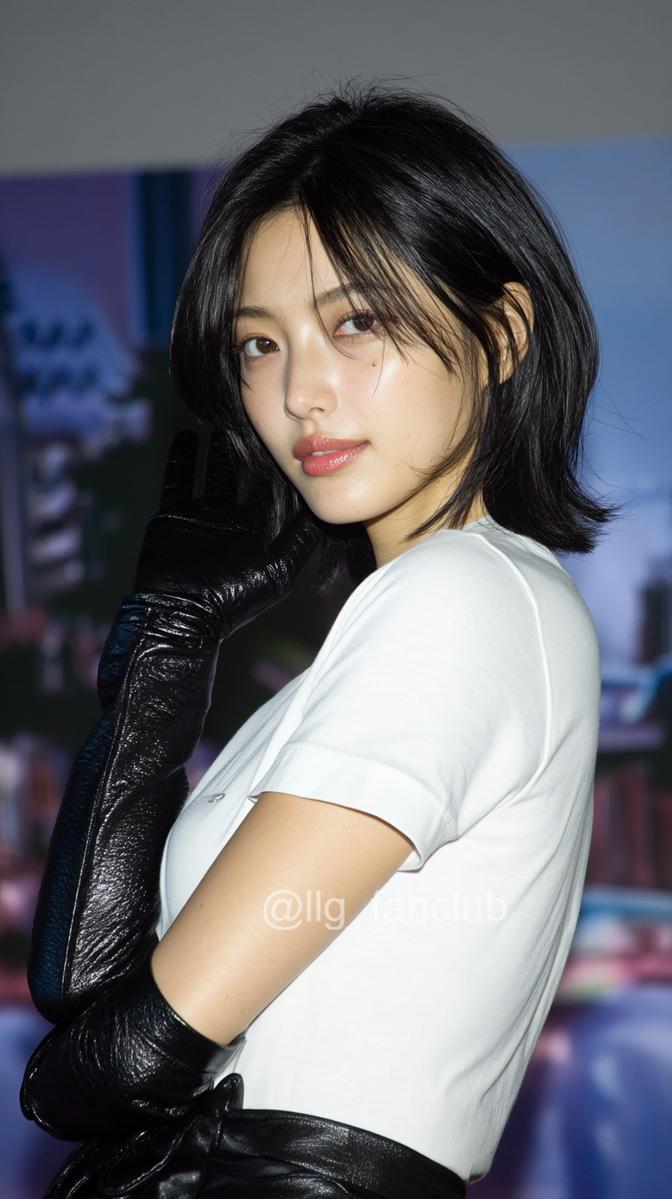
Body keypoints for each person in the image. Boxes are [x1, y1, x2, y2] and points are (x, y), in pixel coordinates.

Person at [20, 78, 621, 1197]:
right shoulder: (384, 638)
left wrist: (80, 1075)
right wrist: (169, 638)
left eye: (357, 322)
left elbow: (126, 1054)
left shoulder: (464, 594)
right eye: (260, 343)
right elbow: (86, 986)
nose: (301, 390)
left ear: (501, 332)